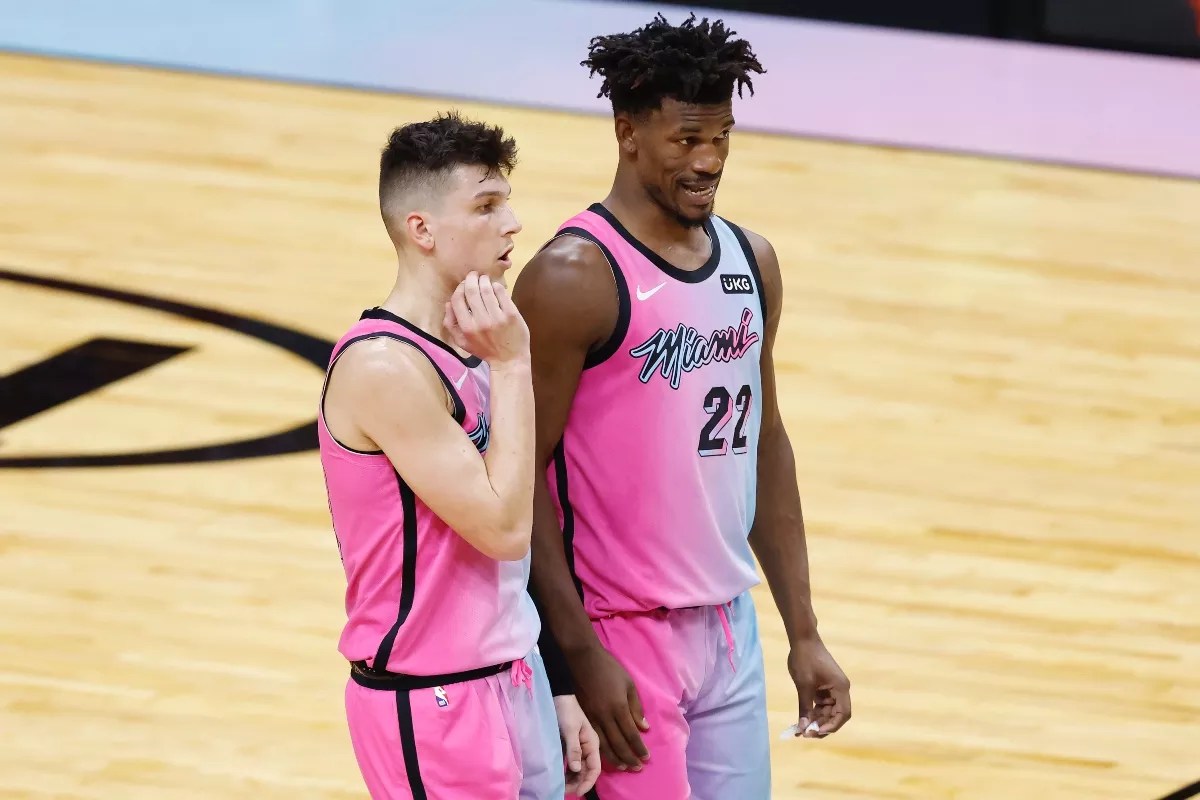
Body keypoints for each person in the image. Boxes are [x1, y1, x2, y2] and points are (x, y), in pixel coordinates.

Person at [511, 14, 852, 799]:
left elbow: (764, 442)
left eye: (722, 138)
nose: (709, 161)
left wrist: (804, 632)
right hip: (620, 630)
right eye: (687, 139)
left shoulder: (752, 260)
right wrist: (577, 655)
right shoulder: (572, 278)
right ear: (628, 133)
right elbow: (517, 476)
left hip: (730, 628)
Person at [317, 112, 600, 799]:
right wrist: (513, 365)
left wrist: (556, 684)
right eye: (485, 205)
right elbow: (502, 529)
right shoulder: (383, 368)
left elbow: (518, 536)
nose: (513, 223)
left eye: (506, 201)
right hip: (431, 701)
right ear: (422, 229)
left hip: (514, 675)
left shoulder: (477, 343)